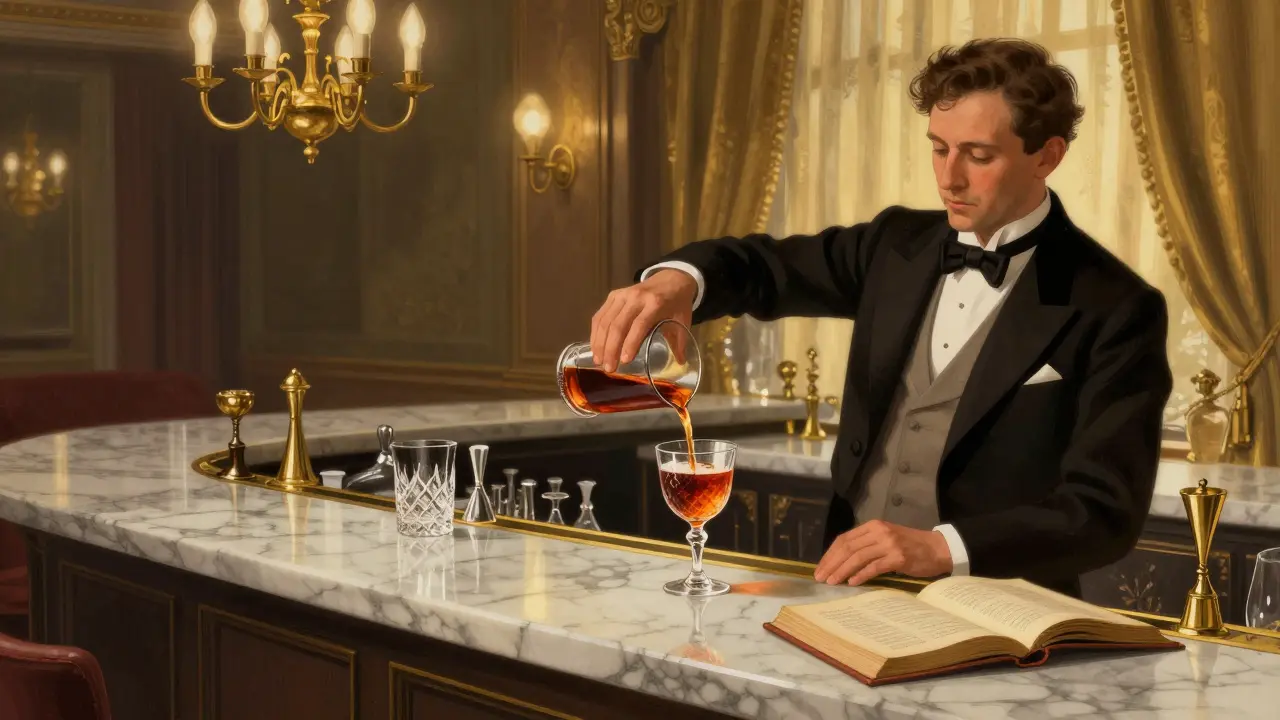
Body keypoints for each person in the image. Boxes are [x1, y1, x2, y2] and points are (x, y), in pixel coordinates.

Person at [588, 38, 1173, 598]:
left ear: (1047, 155)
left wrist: (942, 549)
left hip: (1002, 613)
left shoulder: (1116, 305)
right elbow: (765, 268)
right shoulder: (895, 245)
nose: (949, 178)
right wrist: (679, 280)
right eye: (939, 148)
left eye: (979, 155)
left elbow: (1104, 511)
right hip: (847, 591)